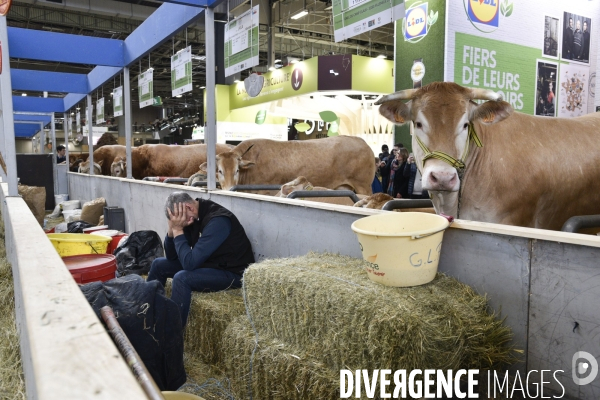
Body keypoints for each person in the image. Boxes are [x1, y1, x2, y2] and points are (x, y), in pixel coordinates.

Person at [147, 192, 255, 326]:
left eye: (178, 220)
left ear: (189, 208)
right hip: (211, 264)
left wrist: (178, 231)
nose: (178, 223)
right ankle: (145, 315)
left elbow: (189, 264)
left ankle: (171, 336)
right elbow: (172, 257)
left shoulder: (218, 221)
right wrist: (172, 231)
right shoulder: (191, 217)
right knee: (159, 264)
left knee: (182, 278)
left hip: (233, 272)